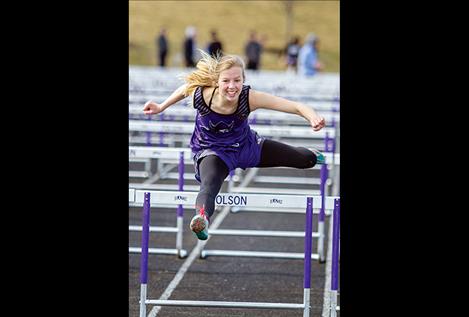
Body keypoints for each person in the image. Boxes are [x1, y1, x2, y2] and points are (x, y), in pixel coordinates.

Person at [143, 50, 326, 241]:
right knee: (209, 185)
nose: (232, 87)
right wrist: (161, 106)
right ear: (216, 81)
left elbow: (295, 106)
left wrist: (312, 117)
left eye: (237, 81)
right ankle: (202, 220)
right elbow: (185, 89)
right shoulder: (202, 95)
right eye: (226, 81)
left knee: (305, 160)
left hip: (247, 147)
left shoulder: (250, 97)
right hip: (212, 151)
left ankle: (313, 156)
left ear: (243, 80)